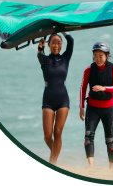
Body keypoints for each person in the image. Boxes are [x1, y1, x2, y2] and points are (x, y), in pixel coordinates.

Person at [79, 41, 113, 169]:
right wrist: (81, 107)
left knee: (109, 139)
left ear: (107, 55)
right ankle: (90, 165)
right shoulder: (88, 70)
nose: (98, 59)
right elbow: (83, 87)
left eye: (100, 56)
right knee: (88, 136)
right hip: (93, 109)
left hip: (109, 109)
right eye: (95, 55)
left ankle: (111, 167)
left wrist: (103, 88)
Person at [37, 32, 74, 165]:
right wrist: (40, 46)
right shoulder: (45, 60)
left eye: (59, 42)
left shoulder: (65, 58)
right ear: (49, 45)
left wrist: (62, 28)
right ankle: (55, 154)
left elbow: (71, 41)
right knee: (48, 136)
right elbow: (39, 54)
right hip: (48, 99)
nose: (56, 45)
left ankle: (53, 162)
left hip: (63, 98)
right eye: (53, 42)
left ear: (61, 45)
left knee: (57, 132)